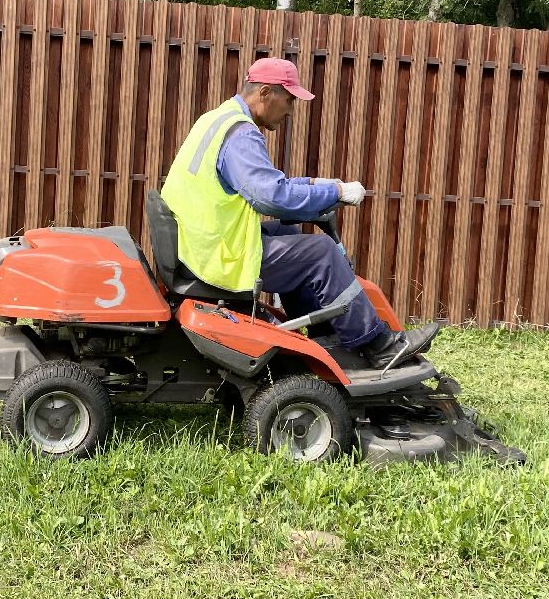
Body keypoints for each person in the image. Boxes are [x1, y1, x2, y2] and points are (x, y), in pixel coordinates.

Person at [159, 57, 440, 370]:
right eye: (289, 99)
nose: (291, 110)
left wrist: (314, 185)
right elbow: (272, 197)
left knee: (288, 233)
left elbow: (264, 183)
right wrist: (334, 193)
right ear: (265, 93)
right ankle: (381, 345)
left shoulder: (218, 119)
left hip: (199, 244)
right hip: (215, 257)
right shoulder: (241, 134)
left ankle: (322, 333)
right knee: (321, 252)